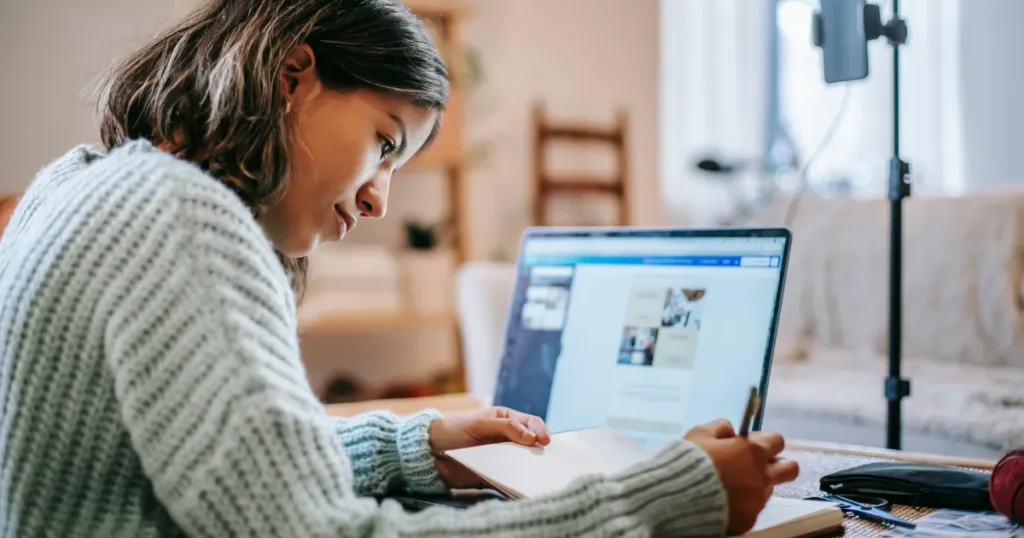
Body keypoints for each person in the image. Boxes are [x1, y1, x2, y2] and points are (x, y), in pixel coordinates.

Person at [0, 0, 799, 536]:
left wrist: (421, 447)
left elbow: (219, 472)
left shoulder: (80, 182)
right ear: (292, 75)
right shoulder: (179, 217)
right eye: (385, 143)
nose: (380, 199)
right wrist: (659, 501)